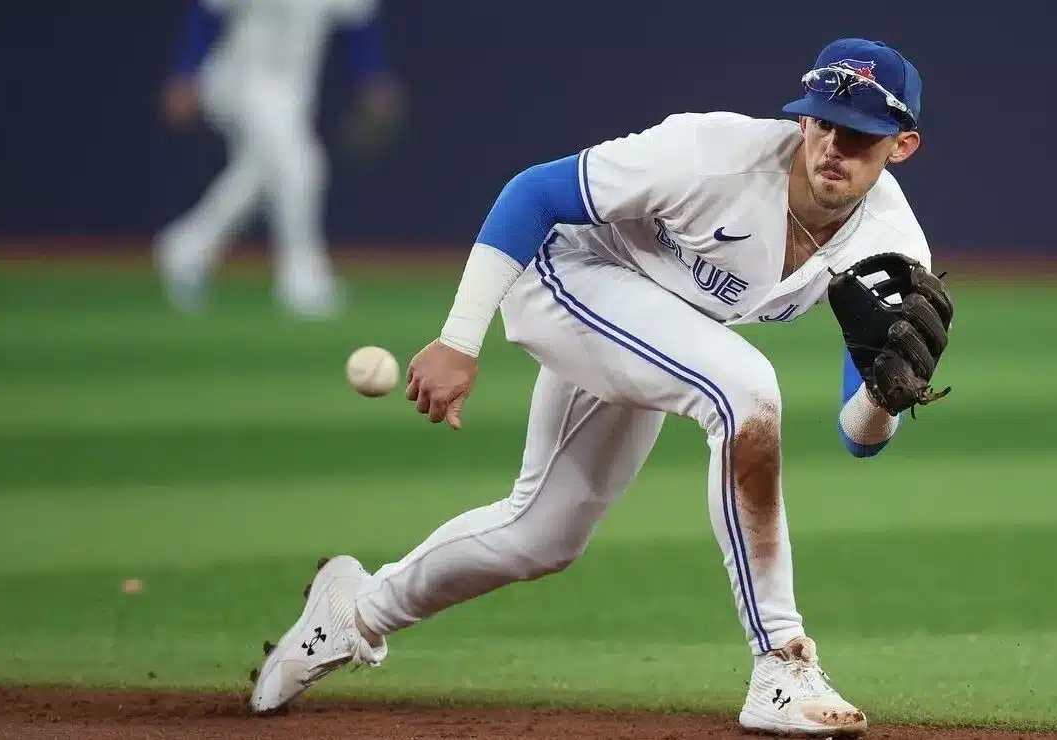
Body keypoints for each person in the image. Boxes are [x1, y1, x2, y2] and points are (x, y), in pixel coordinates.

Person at [249, 37, 954, 736]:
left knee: (541, 536)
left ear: (902, 146)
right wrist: (460, 338)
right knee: (745, 392)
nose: (833, 144)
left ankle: (355, 610)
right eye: (823, 121)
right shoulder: (714, 153)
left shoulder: (890, 244)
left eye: (859, 134)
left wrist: (884, 398)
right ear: (803, 118)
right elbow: (534, 192)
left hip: (654, 322)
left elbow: (859, 437)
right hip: (567, 273)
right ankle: (781, 661)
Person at [156, 0, 406, 318]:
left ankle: (187, 248)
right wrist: (185, 72)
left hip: (291, 93)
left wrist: (373, 79)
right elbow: (208, 14)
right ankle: (301, 279)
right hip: (239, 80)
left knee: (258, 175)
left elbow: (359, 27)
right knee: (300, 167)